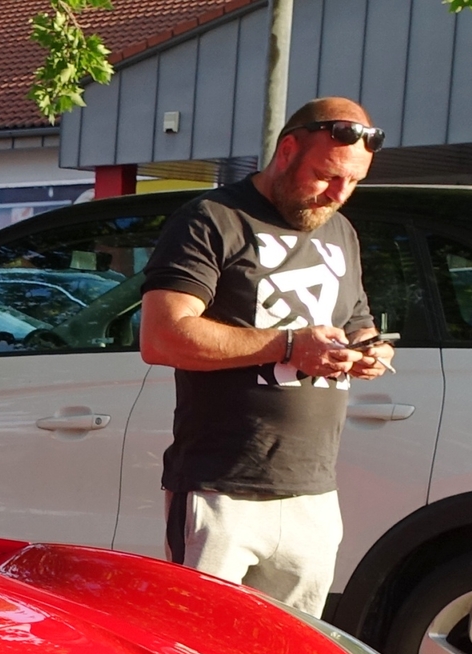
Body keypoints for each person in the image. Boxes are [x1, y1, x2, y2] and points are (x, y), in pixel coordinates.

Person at [139, 98, 395, 615]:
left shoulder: (341, 231)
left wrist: (371, 351)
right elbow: (162, 336)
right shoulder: (213, 219)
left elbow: (358, 322)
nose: (339, 195)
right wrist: (288, 346)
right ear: (288, 150)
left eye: (353, 183)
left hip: (312, 492)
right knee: (202, 650)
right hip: (221, 489)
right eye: (326, 176)